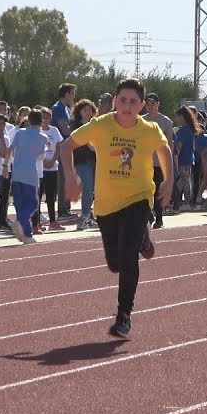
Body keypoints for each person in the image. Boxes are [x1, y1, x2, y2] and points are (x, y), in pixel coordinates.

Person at [61, 78, 172, 339]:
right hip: (107, 204)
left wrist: (167, 181)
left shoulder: (149, 129)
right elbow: (66, 145)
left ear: (142, 105)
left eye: (133, 102)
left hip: (138, 198)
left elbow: (164, 150)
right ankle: (143, 238)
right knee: (114, 263)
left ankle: (124, 315)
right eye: (122, 100)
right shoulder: (101, 125)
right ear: (114, 101)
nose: (127, 106)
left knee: (128, 256)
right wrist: (70, 176)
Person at [10, 109, 50, 244]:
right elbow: (41, 156)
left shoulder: (20, 132)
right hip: (30, 173)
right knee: (33, 203)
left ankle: (27, 234)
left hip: (16, 172)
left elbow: (11, 149)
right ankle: (20, 222)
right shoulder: (43, 137)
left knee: (20, 204)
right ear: (41, 121)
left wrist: (5, 166)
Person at [143, 93, 174, 229]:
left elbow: (169, 142)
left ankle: (159, 217)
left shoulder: (165, 121)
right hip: (144, 162)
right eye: (148, 104)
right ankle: (149, 214)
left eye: (153, 103)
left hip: (159, 162)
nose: (150, 106)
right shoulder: (141, 120)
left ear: (158, 104)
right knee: (145, 190)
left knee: (159, 190)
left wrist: (170, 160)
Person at [69, 99, 98, 230]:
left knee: (93, 190)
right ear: (79, 111)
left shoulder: (95, 125)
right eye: (84, 109)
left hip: (95, 161)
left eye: (89, 110)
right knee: (87, 189)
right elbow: (82, 142)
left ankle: (89, 216)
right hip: (82, 161)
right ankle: (84, 217)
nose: (87, 112)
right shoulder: (76, 125)